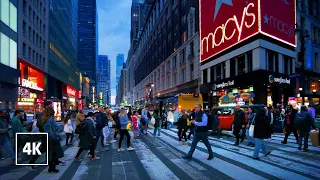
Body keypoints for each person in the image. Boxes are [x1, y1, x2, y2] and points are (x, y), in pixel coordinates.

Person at [38, 107, 64, 173]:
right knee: (56, 153)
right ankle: (54, 168)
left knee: (49, 153)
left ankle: (50, 167)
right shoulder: (51, 119)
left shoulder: (43, 119)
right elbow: (57, 128)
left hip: (46, 137)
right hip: (52, 138)